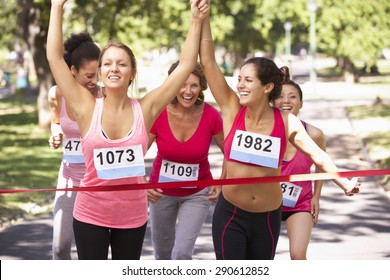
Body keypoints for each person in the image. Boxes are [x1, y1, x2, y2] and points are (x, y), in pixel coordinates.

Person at [47, 0, 209, 260]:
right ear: (99, 72)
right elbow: (54, 58)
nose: (114, 68)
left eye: (121, 64)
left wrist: (196, 19)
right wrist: (56, 6)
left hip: (132, 218)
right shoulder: (86, 107)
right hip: (90, 214)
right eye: (108, 64)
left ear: (132, 73)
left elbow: (186, 64)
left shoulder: (145, 110)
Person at [199, 15, 360, 260]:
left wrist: (344, 182)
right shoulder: (232, 109)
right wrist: (203, 17)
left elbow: (319, 155)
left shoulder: (286, 122)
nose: (240, 85)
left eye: (248, 81)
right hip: (231, 214)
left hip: (267, 217)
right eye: (239, 79)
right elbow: (208, 61)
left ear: (267, 88)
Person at [147, 61, 225, 260]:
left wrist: (222, 181)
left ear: (201, 88)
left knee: (181, 253)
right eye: (182, 84)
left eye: (194, 85)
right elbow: (137, 152)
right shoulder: (159, 113)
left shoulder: (211, 116)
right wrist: (142, 183)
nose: (187, 91)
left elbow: (231, 153)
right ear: (172, 85)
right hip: (160, 193)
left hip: (197, 193)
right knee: (162, 254)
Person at [48, 32, 101, 260]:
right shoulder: (57, 94)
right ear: (72, 71)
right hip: (69, 176)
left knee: (90, 250)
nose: (95, 81)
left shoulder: (105, 97)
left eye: (98, 74)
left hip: (98, 179)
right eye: (89, 75)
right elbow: (56, 122)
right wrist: (56, 133)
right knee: (60, 246)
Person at [272, 80, 325, 260]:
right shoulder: (263, 132)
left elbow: (321, 165)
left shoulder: (314, 134)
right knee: (261, 257)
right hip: (266, 203)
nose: (286, 101)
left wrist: (316, 196)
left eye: (292, 97)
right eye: (280, 96)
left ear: (301, 103)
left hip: (299, 204)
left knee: (298, 255)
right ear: (271, 101)